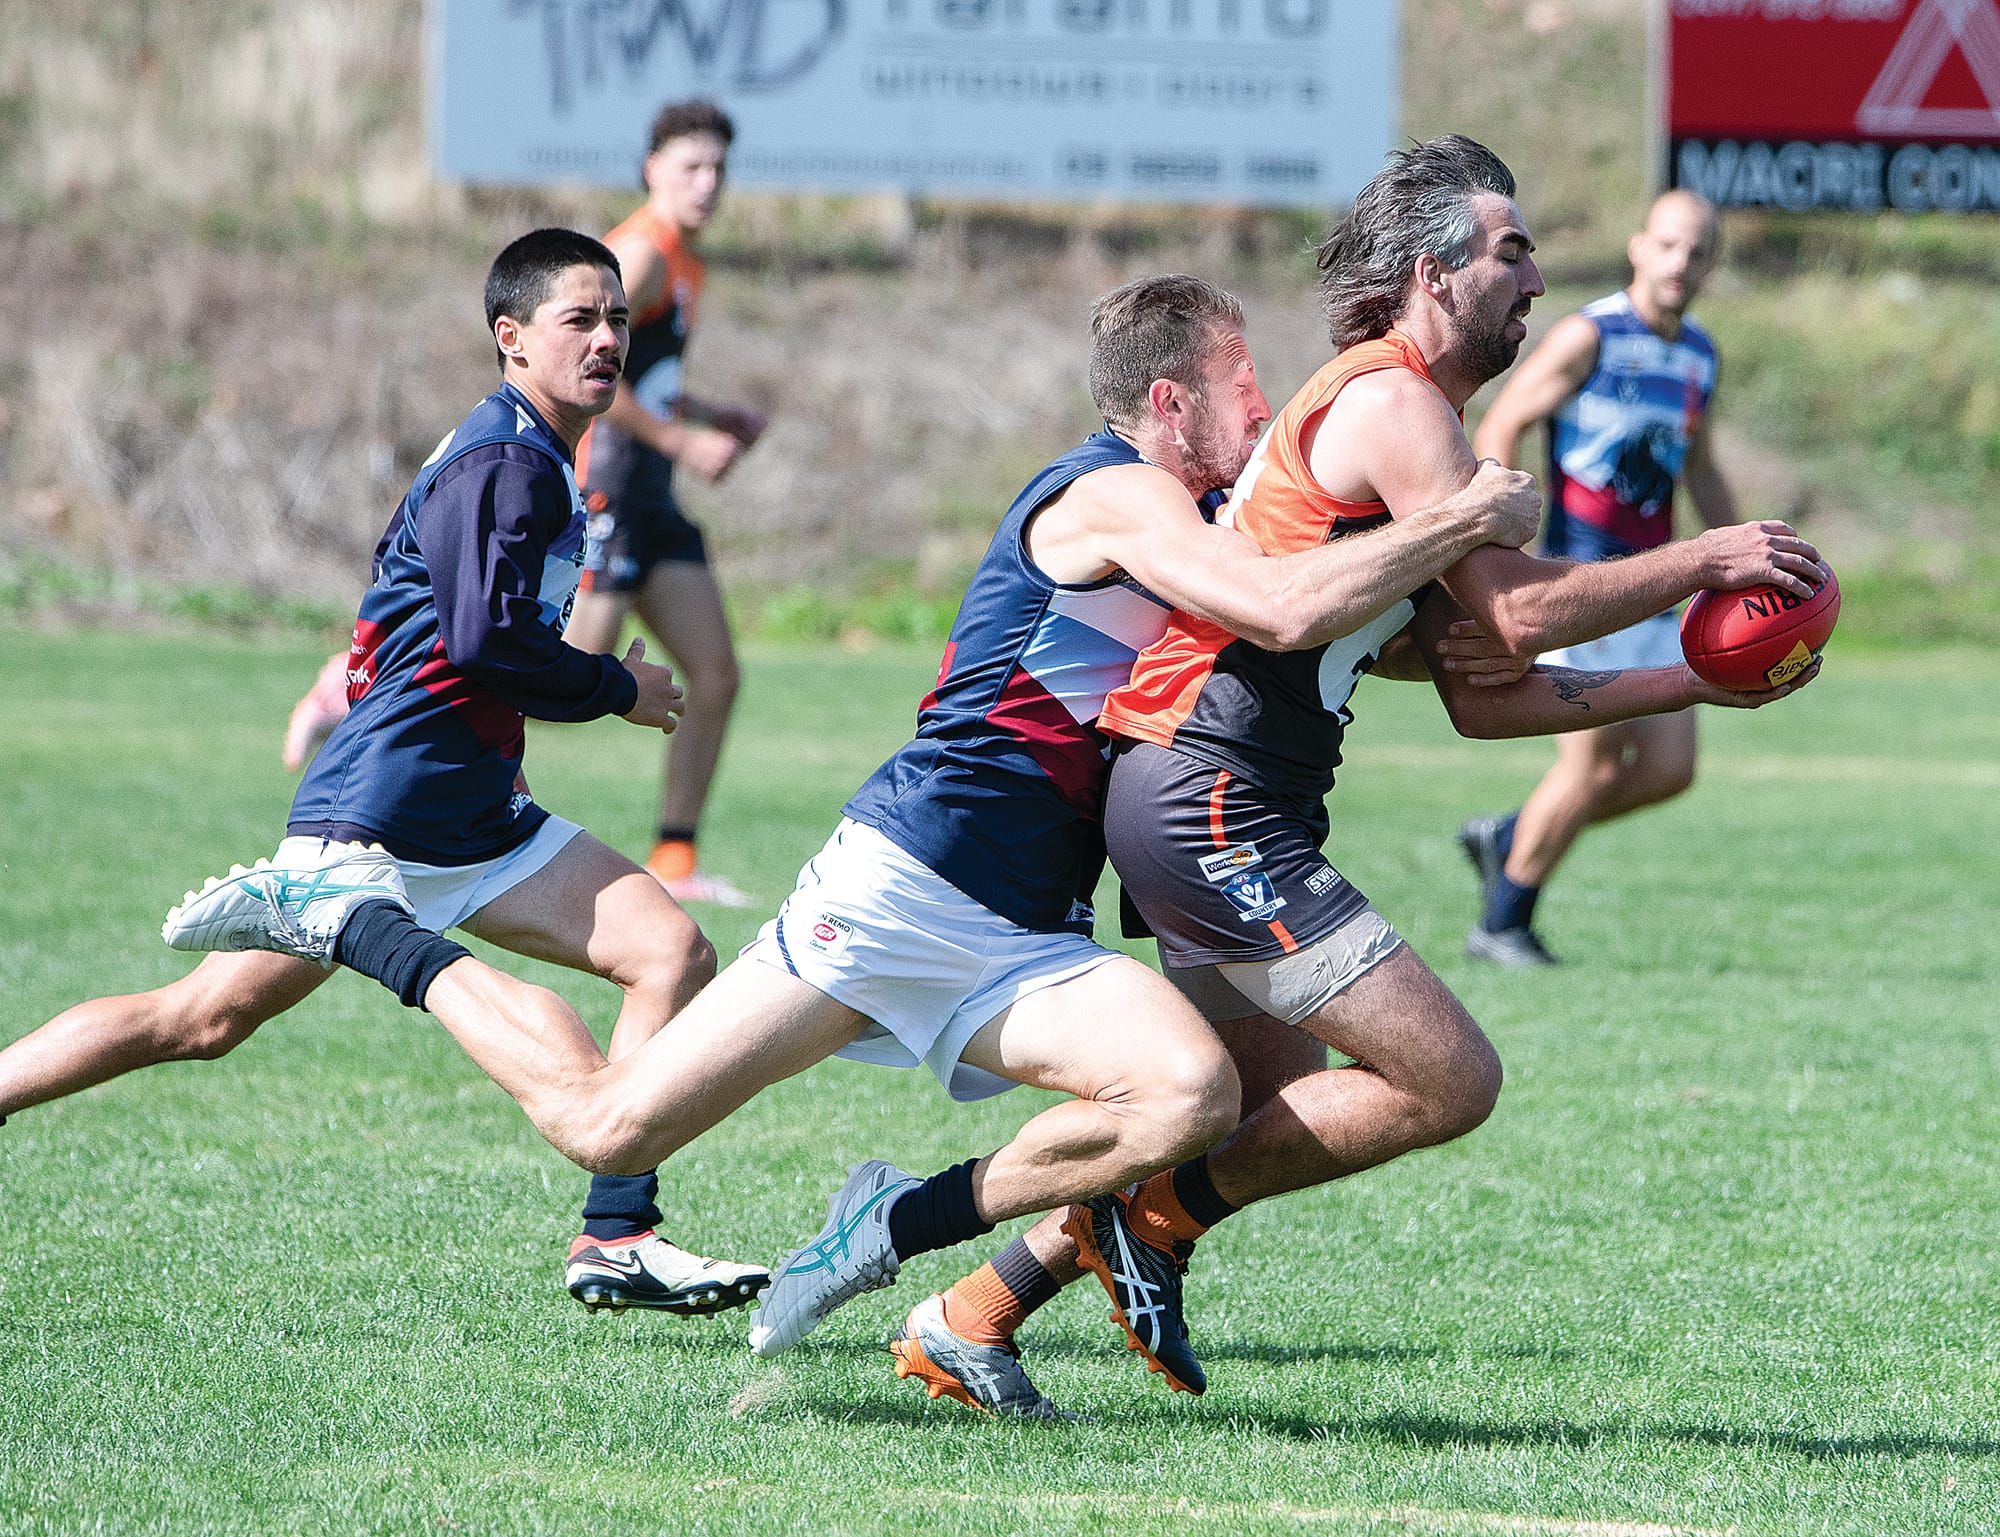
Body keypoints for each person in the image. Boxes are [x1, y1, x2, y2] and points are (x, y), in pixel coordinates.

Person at [162, 274, 1547, 1417]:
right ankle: (358, 923)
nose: (1277, 404)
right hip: (902, 884)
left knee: (1183, 1098)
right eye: (1251, 384)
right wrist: (1457, 515)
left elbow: (1329, 621)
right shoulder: (1117, 495)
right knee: (608, 1121)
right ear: (1172, 401)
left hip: (1027, 925)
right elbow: (1285, 604)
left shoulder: (1205, 516)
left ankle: (888, 1224)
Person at [901, 138, 1825, 1415]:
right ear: (1432, 273)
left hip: (1198, 793)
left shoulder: (1406, 414)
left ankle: (971, 1314)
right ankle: (1150, 1226)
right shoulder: (1393, 404)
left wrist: (1693, 682)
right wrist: (1700, 561)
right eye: (1511, 254)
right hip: (1205, 792)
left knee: (1235, 1112)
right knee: (1448, 1078)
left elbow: (1474, 685)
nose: (1536, 279)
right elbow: (1511, 620)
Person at [0, 229, 770, 1319]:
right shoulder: (505, 463)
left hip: (476, 810)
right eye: (578, 321)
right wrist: (616, 687)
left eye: (617, 323)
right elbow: (481, 644)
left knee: (668, 949)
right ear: (511, 339)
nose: (606, 341)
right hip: (385, 806)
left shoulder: (535, 448)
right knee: (199, 1022)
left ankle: (618, 1235)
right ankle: (613, 1217)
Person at [1457, 190, 1735, 966]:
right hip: (1581, 584)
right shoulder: (1591, 335)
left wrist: (1741, 553)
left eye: (1700, 250)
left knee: (1670, 770)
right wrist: (1511, 531)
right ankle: (1504, 921)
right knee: (1592, 763)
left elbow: (1700, 465)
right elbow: (1503, 419)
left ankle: (1511, 836)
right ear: (1640, 245)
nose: (1683, 262)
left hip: (1653, 587)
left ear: (1711, 264)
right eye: (1671, 244)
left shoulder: (1700, 354)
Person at [561, 99, 769, 908]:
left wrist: (711, 414)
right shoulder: (639, 255)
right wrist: (684, 441)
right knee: (566, 680)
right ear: (652, 169)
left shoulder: (685, 259)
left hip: (653, 494)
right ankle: (361, 692)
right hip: (607, 481)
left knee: (714, 675)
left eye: (719, 167)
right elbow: (581, 379)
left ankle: (674, 858)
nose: (708, 182)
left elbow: (642, 377)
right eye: (691, 166)